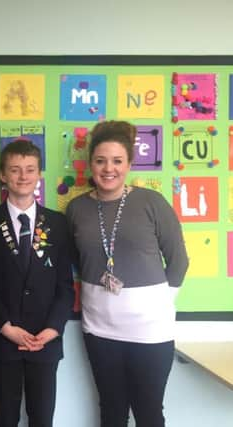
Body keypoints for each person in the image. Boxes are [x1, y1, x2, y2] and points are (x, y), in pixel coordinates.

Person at [66, 120, 189, 427]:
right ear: (90, 164)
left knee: (148, 412)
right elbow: (76, 260)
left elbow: (179, 261)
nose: (109, 169)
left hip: (150, 331)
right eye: (100, 160)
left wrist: (158, 303)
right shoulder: (77, 208)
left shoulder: (151, 202)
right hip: (100, 330)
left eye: (117, 161)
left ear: (129, 164)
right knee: (111, 411)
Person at [0, 139, 74, 427]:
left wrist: (53, 329)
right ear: (3, 175)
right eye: (15, 170)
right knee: (5, 418)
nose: (23, 176)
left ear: (39, 174)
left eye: (30, 170)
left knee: (42, 418)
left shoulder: (57, 223)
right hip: (3, 340)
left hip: (45, 341)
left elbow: (65, 286)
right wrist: (6, 327)